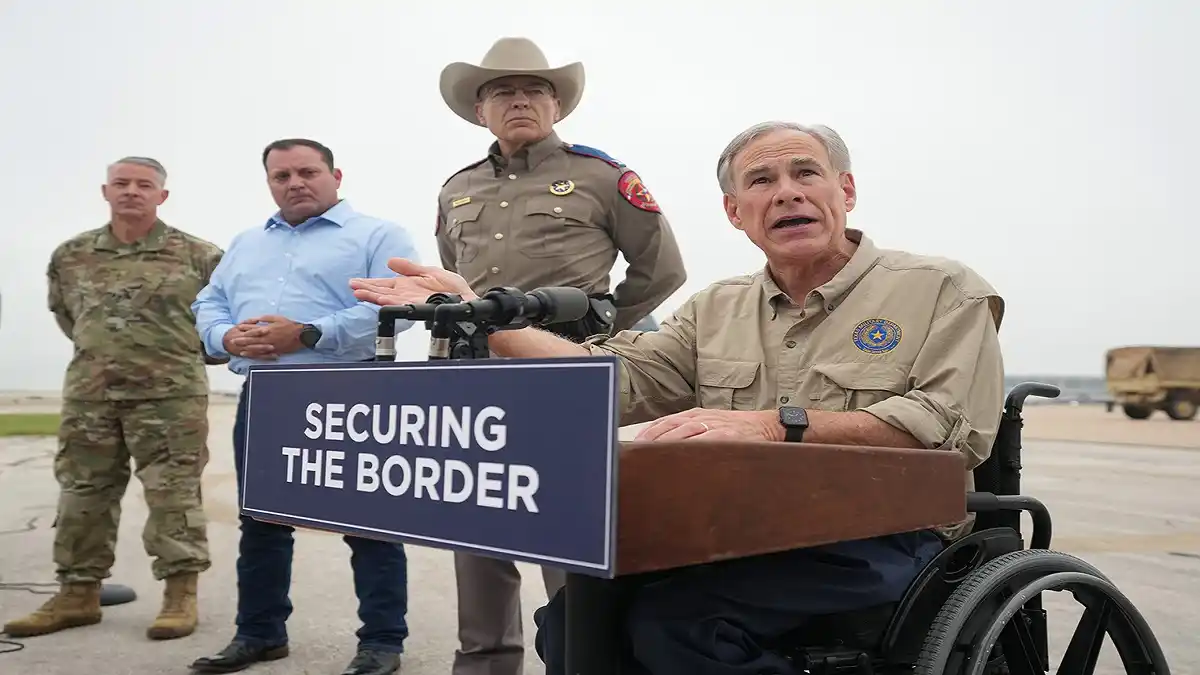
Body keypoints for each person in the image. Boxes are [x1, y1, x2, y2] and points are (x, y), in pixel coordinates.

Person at [349, 120, 1006, 675]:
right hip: (742, 527)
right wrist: (480, 317)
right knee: (572, 623)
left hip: (885, 533)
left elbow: (950, 429)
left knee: (682, 626)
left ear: (846, 190)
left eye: (805, 174)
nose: (786, 194)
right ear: (734, 211)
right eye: (761, 181)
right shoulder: (717, 306)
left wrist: (776, 425)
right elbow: (612, 376)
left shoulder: (940, 288)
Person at [434, 35, 688, 675]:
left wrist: (602, 337)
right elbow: (451, 275)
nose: (519, 100)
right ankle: (485, 664)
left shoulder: (602, 175)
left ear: (556, 104)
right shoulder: (455, 189)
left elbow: (660, 271)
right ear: (479, 109)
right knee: (476, 521)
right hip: (474, 372)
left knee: (564, 525)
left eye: (534, 90)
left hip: (565, 371)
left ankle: (578, 661)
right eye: (501, 92)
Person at [188, 139, 418, 675]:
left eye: (307, 172)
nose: (295, 183)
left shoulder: (376, 235)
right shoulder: (246, 243)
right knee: (263, 521)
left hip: (352, 392)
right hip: (267, 398)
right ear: (269, 182)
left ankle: (382, 642)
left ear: (336, 176)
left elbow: (401, 304)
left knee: (370, 524)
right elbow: (209, 301)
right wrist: (225, 338)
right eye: (281, 175)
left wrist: (310, 334)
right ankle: (259, 634)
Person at [3, 156, 224, 642]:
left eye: (144, 185)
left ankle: (179, 596)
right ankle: (77, 594)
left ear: (161, 196)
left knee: (173, 498)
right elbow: (68, 316)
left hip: (170, 400)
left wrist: (173, 355)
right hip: (91, 397)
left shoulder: (199, 255)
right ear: (105, 191)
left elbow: (221, 321)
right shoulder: (71, 255)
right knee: (83, 494)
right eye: (121, 183)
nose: (131, 192)